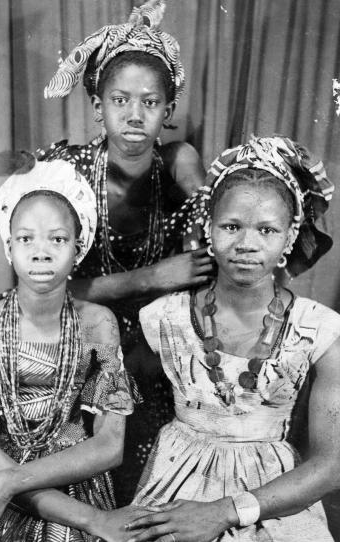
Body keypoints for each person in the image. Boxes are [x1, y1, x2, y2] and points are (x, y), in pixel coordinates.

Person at [120, 136, 340, 541]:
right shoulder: (163, 320)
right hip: (173, 489)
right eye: (231, 226)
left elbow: (332, 464)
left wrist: (225, 512)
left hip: (276, 501)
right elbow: (120, 429)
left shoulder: (320, 329)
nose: (246, 244)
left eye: (267, 229)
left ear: (290, 237)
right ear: (208, 226)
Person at [38, 0, 210, 504]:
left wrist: (198, 206)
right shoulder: (67, 170)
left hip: (158, 347)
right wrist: (152, 277)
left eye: (151, 102)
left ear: (168, 110)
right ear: (98, 106)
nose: (135, 114)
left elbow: (205, 211)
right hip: (83, 336)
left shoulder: (176, 161)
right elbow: (47, 287)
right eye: (120, 100)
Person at [0, 157, 151, 542]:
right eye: (26, 238)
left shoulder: (98, 322)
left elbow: (109, 445)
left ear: (78, 247)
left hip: (73, 480)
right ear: (9, 246)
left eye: (58, 239)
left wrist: (88, 518)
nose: (41, 252)